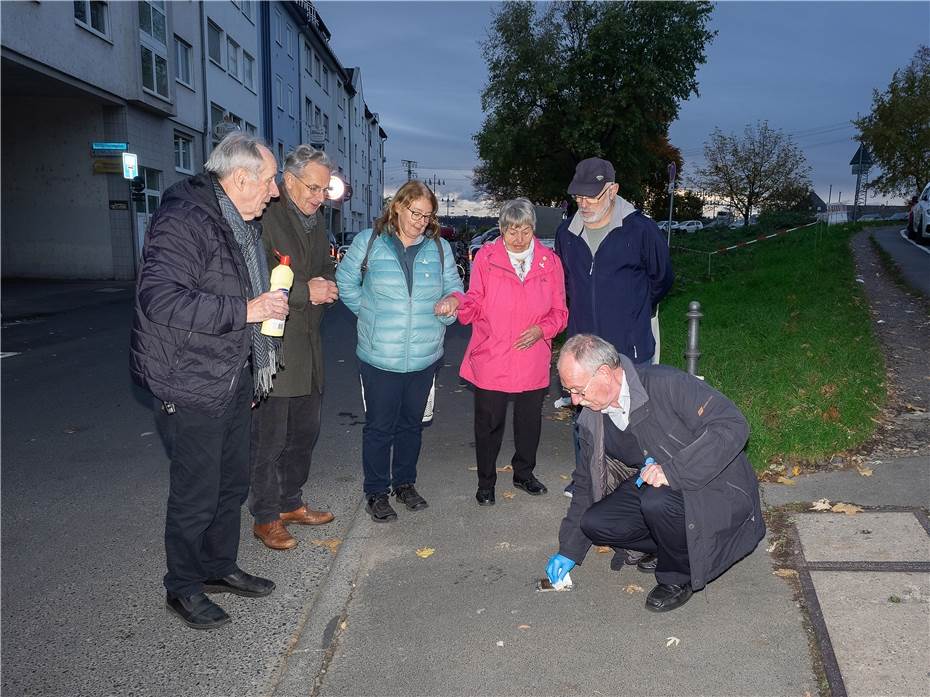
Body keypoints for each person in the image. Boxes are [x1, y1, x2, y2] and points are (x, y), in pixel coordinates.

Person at [130, 132, 287, 630]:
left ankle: (219, 567)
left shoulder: (236, 221)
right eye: (269, 180)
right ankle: (182, 586)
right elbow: (160, 299)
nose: (275, 191)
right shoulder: (185, 219)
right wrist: (247, 309)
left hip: (231, 372)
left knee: (231, 483)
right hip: (190, 378)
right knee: (196, 493)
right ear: (240, 178)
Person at [545, 334, 765, 612]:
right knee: (596, 523)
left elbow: (732, 425)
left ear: (604, 373)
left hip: (716, 487)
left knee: (656, 501)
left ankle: (678, 576)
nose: (575, 400)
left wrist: (674, 471)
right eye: (569, 392)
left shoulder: (665, 383)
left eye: (578, 390)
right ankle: (669, 543)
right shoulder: (592, 416)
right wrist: (569, 550)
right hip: (656, 487)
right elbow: (586, 483)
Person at [555, 157, 674, 571]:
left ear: (613, 191)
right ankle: (588, 483)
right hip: (585, 351)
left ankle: (646, 504)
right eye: (578, 195)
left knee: (636, 425)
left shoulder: (640, 230)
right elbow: (569, 285)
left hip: (629, 351)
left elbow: (662, 280)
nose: (582, 202)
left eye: (591, 194)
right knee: (585, 418)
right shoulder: (567, 234)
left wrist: (635, 313)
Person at [335, 181, 463, 523]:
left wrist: (451, 305)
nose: (421, 221)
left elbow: (455, 288)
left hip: (425, 355)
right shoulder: (369, 242)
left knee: (412, 425)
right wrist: (367, 312)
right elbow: (345, 281)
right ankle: (376, 492)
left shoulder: (439, 249)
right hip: (380, 356)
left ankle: (405, 484)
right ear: (397, 207)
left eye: (428, 215)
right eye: (415, 213)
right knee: (379, 428)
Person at [435, 198, 567, 505]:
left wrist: (542, 330)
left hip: (532, 354)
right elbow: (475, 298)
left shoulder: (550, 262)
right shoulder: (487, 258)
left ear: (534, 228)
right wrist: (459, 304)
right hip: (493, 354)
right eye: (511, 231)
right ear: (501, 230)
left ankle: (524, 473)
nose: (519, 238)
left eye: (525, 230)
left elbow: (560, 312)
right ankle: (486, 482)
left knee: (528, 422)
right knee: (488, 423)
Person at [249, 145, 339, 551]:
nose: (320, 197)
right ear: (289, 180)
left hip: (310, 345)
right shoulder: (266, 216)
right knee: (270, 440)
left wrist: (328, 283)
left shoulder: (314, 220)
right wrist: (308, 291)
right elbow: (256, 277)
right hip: (276, 346)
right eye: (314, 188)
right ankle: (266, 517)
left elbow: (323, 265)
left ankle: (290, 503)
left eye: (324, 190)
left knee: (305, 432)